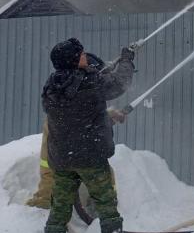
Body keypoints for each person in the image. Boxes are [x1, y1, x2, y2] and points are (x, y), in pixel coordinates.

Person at [41, 38, 135, 233]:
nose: (85, 56)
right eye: (81, 54)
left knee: (59, 211)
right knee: (107, 207)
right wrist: (126, 60)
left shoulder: (52, 85)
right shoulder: (91, 82)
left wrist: (103, 118)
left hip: (63, 160)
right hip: (91, 159)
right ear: (73, 60)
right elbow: (119, 83)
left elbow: (77, 115)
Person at [26, 54, 126, 210]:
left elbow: (84, 111)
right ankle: (46, 200)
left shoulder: (67, 85)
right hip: (68, 150)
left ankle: (52, 203)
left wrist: (109, 115)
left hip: (64, 148)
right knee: (60, 169)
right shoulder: (78, 86)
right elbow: (84, 112)